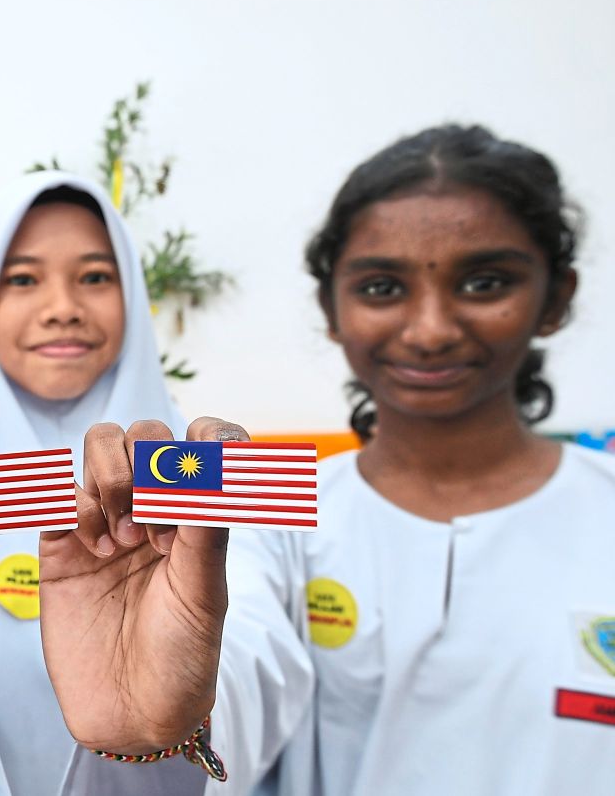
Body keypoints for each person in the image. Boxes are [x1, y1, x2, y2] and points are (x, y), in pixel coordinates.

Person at [0, 171, 298, 794]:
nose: (63, 307)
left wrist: (175, 714)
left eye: (95, 276)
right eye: (22, 279)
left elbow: (266, 662)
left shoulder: (198, 477)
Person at [215, 124, 615, 795]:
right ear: (331, 308)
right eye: (381, 287)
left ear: (556, 298)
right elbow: (209, 735)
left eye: (485, 282)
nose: (430, 329)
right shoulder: (271, 519)